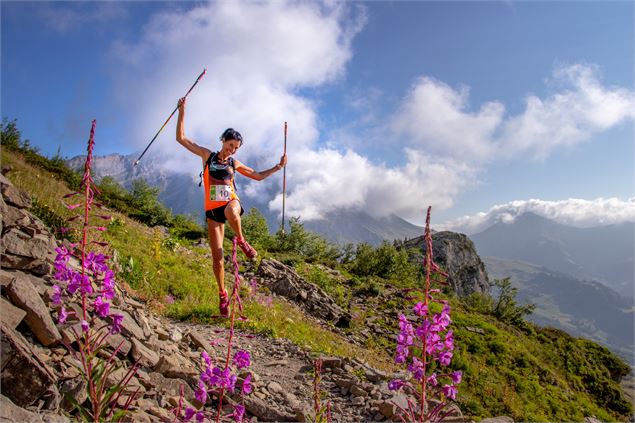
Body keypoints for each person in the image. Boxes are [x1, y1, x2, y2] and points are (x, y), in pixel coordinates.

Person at [176, 97, 287, 316]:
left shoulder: (233, 164)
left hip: (230, 202)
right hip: (212, 210)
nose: (232, 151)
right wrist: (182, 111)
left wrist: (278, 166)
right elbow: (181, 138)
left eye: (236, 148)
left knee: (231, 210)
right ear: (223, 141)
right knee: (217, 259)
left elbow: (256, 176)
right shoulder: (207, 156)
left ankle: (242, 241)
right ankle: (222, 295)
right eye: (230, 146)